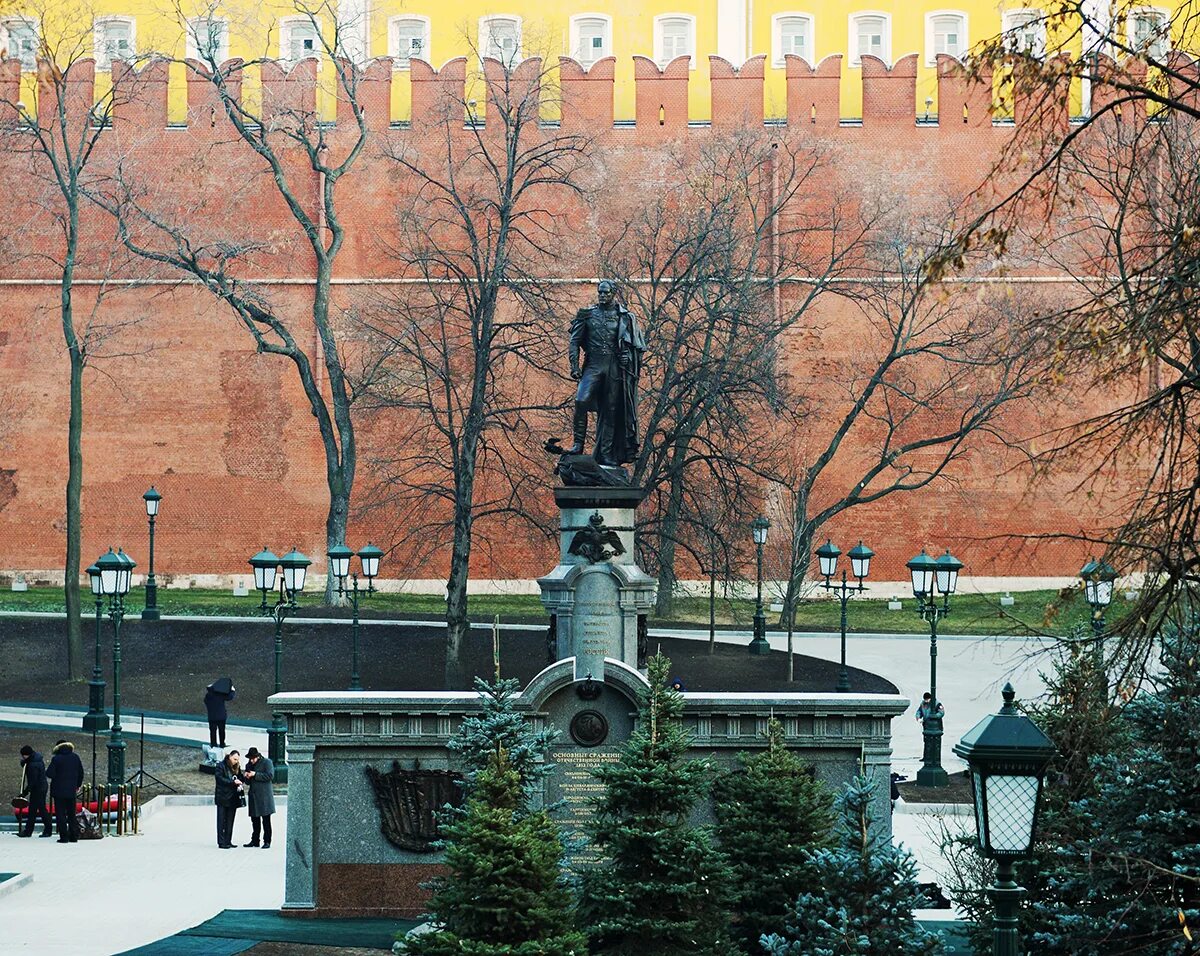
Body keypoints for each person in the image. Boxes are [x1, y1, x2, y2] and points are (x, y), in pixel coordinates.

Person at [565, 280, 647, 466]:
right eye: (600, 292)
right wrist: (574, 367)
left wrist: (628, 358)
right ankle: (578, 444)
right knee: (581, 400)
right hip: (593, 365)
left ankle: (606, 453)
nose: (602, 296)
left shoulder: (624, 317)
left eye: (606, 293)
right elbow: (574, 341)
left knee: (611, 411)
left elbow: (635, 347)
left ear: (613, 293)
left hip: (614, 368)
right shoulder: (587, 315)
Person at [45, 739, 84, 843]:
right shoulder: (75, 757)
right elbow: (81, 772)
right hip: (71, 790)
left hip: (59, 791)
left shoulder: (56, 759)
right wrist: (77, 785)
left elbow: (50, 774)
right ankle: (74, 836)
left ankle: (64, 837)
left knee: (61, 814)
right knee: (72, 814)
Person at [241, 747, 275, 849]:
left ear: (258, 756)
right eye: (250, 759)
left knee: (266, 820)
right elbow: (248, 782)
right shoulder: (249, 765)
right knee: (254, 820)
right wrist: (246, 776)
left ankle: (267, 841)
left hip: (265, 795)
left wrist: (255, 774)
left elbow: (270, 775)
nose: (251, 760)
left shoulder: (267, 762)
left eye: (253, 758)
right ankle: (255, 840)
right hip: (254, 795)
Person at [17, 745, 52, 838]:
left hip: (38, 789)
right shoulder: (35, 760)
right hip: (40, 787)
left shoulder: (33, 765)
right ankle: (31, 830)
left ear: (26, 755)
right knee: (34, 810)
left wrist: (25, 792)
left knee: (39, 810)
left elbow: (33, 781)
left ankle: (45, 830)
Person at [214, 749, 244, 849]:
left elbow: (240, 776)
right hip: (222, 797)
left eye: (237, 759)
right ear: (230, 756)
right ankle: (221, 842)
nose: (236, 761)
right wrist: (232, 782)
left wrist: (242, 779)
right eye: (234, 759)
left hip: (233, 797)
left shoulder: (237, 766)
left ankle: (228, 840)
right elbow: (219, 779)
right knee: (221, 820)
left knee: (230, 820)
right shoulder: (221, 765)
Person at [204, 678, 236, 748]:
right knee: (222, 731)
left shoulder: (207, 696)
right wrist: (233, 691)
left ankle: (213, 744)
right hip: (221, 716)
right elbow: (230, 697)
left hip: (212, 717)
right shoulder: (220, 694)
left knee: (213, 731)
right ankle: (222, 744)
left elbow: (206, 702)